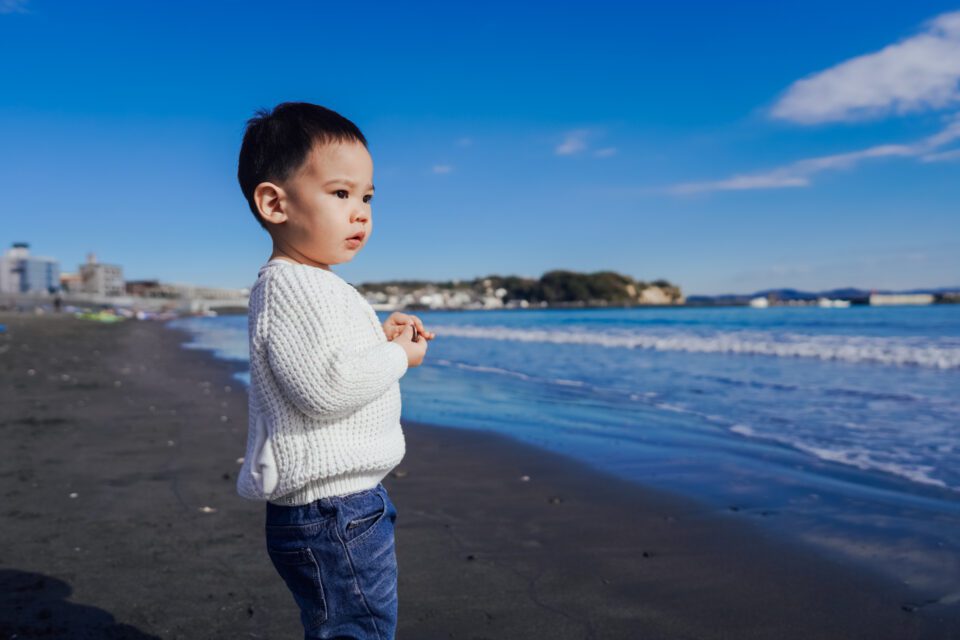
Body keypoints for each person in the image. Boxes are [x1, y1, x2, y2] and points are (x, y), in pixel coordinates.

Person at [234, 101, 435, 639]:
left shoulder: (314, 282)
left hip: (338, 506)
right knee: (358, 630)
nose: (361, 212)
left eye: (367, 197)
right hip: (333, 511)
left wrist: (379, 338)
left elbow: (327, 363)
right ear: (275, 203)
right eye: (341, 193)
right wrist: (400, 357)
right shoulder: (291, 284)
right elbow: (325, 389)